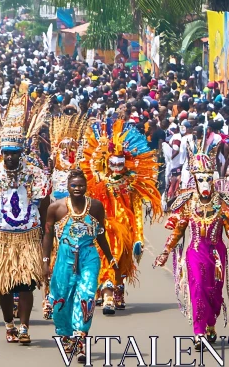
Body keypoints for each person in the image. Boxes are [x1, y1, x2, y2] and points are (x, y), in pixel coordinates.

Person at [154, 146, 229, 348]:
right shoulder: (187, 203)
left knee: (214, 293)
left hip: (217, 255)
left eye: (208, 179)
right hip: (195, 253)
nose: (204, 183)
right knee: (198, 289)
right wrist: (165, 253)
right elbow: (178, 231)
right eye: (200, 179)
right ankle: (199, 332)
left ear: (213, 179)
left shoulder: (222, 202)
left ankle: (211, 324)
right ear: (194, 179)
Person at [0, 92, 51, 346]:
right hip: (2, 239)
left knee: (27, 284)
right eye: (6, 152)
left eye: (14, 153)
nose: (9, 157)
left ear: (22, 152)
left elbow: (46, 211)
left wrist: (45, 240)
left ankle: (25, 326)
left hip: (29, 238)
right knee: (4, 286)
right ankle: (9, 324)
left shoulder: (36, 174)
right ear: (1, 152)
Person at [81, 108, 162, 314]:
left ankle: (117, 289)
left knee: (122, 261)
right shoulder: (98, 183)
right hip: (103, 229)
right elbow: (90, 206)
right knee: (106, 259)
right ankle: (107, 294)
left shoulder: (130, 184)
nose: (117, 167)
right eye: (113, 163)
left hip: (125, 229)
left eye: (120, 163)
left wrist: (138, 238)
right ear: (106, 162)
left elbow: (136, 212)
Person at [42, 170, 118, 361]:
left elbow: (100, 233)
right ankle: (66, 336)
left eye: (81, 185)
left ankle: (80, 338)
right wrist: (45, 262)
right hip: (64, 257)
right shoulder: (55, 208)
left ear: (86, 186)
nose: (77, 189)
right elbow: (48, 235)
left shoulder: (96, 207)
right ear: (67, 187)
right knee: (61, 299)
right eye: (74, 185)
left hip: (89, 257)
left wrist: (110, 257)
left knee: (86, 296)